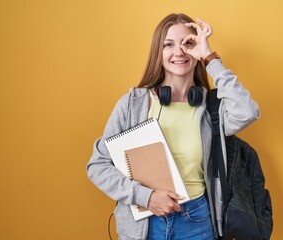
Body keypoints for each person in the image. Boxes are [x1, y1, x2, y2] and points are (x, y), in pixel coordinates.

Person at [87, 13, 260, 240]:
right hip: (144, 226)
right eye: (168, 44)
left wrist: (209, 58)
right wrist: (145, 197)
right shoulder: (133, 104)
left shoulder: (211, 108)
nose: (179, 52)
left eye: (187, 43)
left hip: (197, 221)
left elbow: (248, 111)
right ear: (158, 53)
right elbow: (97, 165)